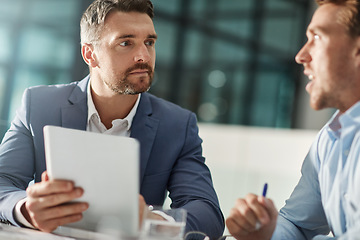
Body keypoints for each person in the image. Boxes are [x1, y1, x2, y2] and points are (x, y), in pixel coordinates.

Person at [0, 0, 224, 238]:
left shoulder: (177, 125)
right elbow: (3, 181)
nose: (143, 55)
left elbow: (207, 212)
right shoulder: (40, 105)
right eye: (126, 43)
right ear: (90, 54)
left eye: (149, 42)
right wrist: (26, 208)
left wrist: (153, 220)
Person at [225, 0, 360, 239]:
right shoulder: (331, 138)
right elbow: (299, 226)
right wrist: (264, 230)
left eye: (317, 38)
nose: (301, 56)